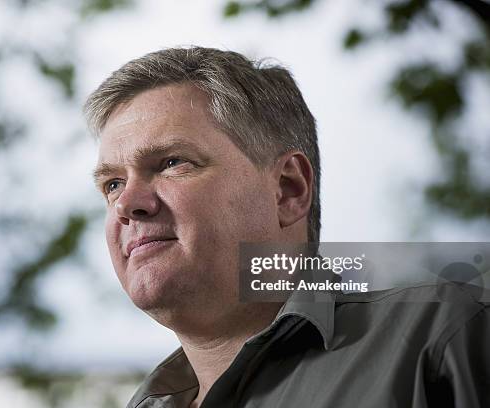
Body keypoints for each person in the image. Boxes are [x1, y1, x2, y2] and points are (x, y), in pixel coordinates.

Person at [84, 46, 490, 407]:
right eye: (113, 184)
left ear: (287, 189)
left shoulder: (446, 336)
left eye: (172, 163)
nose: (126, 204)